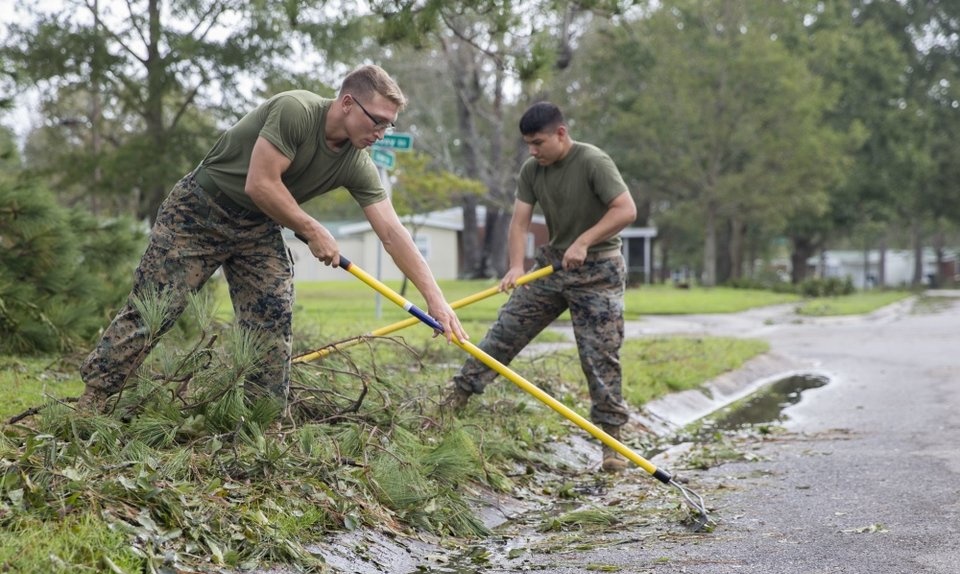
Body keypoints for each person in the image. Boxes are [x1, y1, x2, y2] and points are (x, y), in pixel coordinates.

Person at [79, 64, 467, 414]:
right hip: (199, 212)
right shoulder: (295, 110)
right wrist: (312, 229)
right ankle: (94, 399)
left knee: (272, 316)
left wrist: (436, 299)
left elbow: (392, 233)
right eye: (377, 121)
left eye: (389, 126)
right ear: (348, 103)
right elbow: (260, 183)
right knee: (156, 309)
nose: (382, 134)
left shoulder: (356, 163)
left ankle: (262, 423)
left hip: (257, 228)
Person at [446, 101, 637, 472]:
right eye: (528, 144)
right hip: (551, 268)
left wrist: (584, 241)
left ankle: (612, 444)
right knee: (504, 334)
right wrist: (516, 266)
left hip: (598, 271)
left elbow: (625, 210)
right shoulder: (533, 170)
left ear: (561, 134)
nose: (533, 151)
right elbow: (519, 223)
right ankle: (455, 399)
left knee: (600, 358)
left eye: (538, 142)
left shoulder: (593, 162)